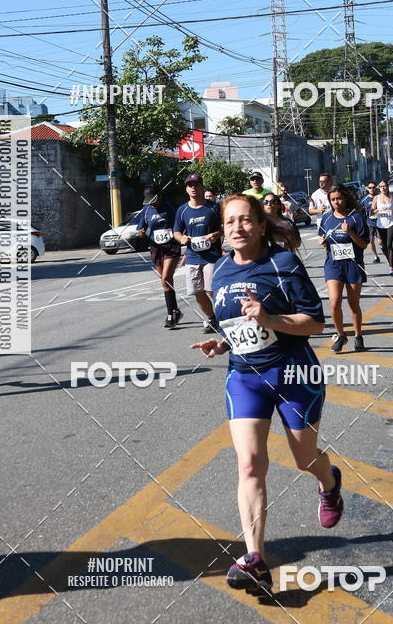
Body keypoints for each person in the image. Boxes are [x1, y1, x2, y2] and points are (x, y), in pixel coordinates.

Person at [191, 194, 342, 595]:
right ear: (222, 230)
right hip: (245, 377)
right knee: (249, 465)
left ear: (260, 225)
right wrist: (221, 344)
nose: (237, 228)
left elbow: (313, 322)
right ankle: (255, 558)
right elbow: (232, 325)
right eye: (229, 223)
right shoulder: (219, 270)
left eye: (244, 221)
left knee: (305, 457)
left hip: (294, 373)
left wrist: (270, 318)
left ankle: (329, 483)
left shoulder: (284, 263)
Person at [318, 184, 369, 353]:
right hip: (333, 264)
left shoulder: (356, 217)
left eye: (339, 198)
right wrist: (323, 241)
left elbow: (363, 244)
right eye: (333, 200)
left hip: (353, 264)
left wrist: (351, 233)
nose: (336, 202)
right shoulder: (326, 218)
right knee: (334, 303)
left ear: (346, 198)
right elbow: (324, 240)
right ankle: (341, 335)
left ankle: (358, 335)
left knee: (353, 304)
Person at [174, 173, 222, 333]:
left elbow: (225, 227)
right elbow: (176, 232)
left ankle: (224, 317)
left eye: (196, 184)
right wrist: (182, 238)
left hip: (212, 257)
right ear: (186, 189)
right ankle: (212, 318)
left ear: (202, 187)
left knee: (211, 290)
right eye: (190, 185)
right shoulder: (182, 210)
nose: (193, 188)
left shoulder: (213, 207)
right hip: (193, 257)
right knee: (197, 291)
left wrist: (216, 234)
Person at [136, 185, 182, 329]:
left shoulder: (170, 206)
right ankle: (176, 311)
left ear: (160, 196)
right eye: (149, 201)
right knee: (166, 281)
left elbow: (180, 224)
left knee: (165, 278)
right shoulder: (146, 209)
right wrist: (141, 232)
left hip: (171, 247)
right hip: (156, 248)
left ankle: (170, 316)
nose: (152, 204)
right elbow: (140, 229)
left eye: (154, 200)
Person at [371, 180, 393, 274]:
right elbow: (371, 212)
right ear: (379, 188)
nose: (383, 188)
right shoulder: (376, 198)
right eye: (381, 186)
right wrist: (378, 209)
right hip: (380, 224)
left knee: (389, 244)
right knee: (382, 244)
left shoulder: (392, 196)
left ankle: (391, 266)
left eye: (385, 186)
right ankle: (389, 260)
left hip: (391, 223)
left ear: (387, 187)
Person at [359, 182, 381, 263]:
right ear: (367, 189)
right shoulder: (364, 199)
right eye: (370, 187)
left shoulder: (379, 197)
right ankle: (376, 257)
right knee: (371, 241)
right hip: (369, 222)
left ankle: (383, 248)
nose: (372, 189)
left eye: (374, 187)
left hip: (380, 222)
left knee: (380, 241)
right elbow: (359, 209)